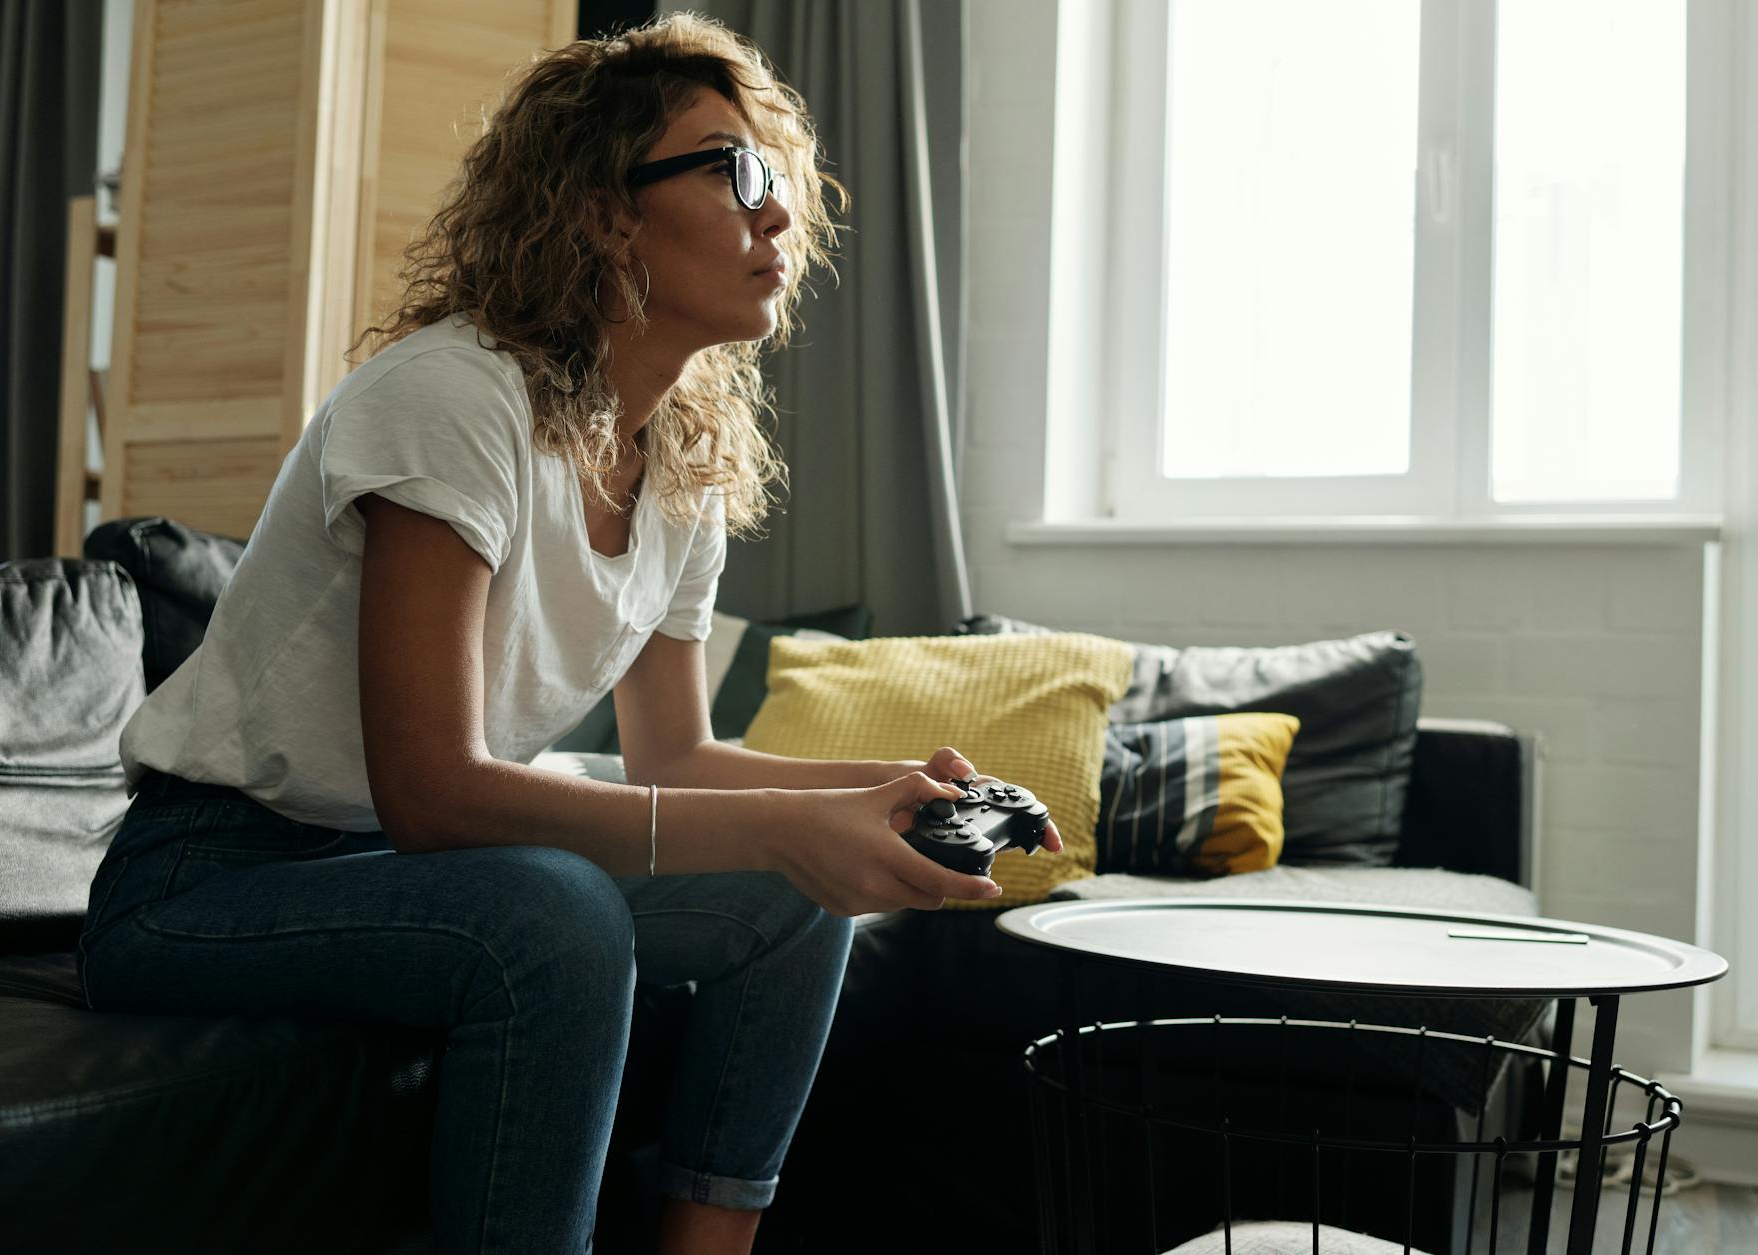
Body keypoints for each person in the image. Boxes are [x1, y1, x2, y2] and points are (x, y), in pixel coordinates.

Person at [74, 12, 1063, 1255]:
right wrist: (789, 819)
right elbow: (434, 795)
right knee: (555, 913)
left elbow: (674, 760)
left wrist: (883, 790)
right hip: (208, 881)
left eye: (781, 184)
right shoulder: (450, 396)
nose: (776, 217)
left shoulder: (683, 466)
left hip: (403, 872)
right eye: (734, 172)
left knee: (788, 893)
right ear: (602, 209)